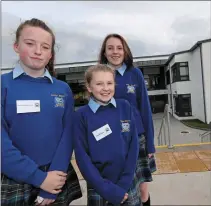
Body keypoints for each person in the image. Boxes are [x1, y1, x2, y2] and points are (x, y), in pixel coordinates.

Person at [1, 18, 82, 206]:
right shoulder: (3, 86)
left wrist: (53, 182)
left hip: (56, 175)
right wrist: (38, 178)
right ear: (16, 46)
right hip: (16, 176)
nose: (38, 51)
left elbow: (67, 136)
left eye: (45, 47)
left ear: (51, 54)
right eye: (30, 44)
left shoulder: (63, 89)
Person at [98, 33, 157, 206]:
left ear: (125, 51)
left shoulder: (135, 73)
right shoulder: (100, 74)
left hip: (138, 138)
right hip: (112, 139)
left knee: (142, 189)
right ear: (104, 52)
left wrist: (151, 144)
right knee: (121, 188)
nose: (115, 52)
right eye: (110, 48)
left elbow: (145, 108)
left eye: (119, 48)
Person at [73, 64, 140, 206]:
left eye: (109, 83)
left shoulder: (125, 106)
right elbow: (82, 157)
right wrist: (107, 190)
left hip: (127, 183)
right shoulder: (80, 116)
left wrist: (123, 184)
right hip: (100, 187)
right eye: (99, 84)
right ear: (89, 87)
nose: (105, 88)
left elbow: (133, 146)